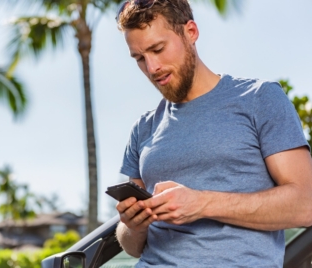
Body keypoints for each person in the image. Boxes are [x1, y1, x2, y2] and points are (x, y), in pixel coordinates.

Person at [114, 0, 312, 267]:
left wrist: (201, 204)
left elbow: (305, 205)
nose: (151, 67)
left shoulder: (259, 99)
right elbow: (132, 246)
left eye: (158, 49)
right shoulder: (144, 128)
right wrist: (133, 226)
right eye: (139, 58)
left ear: (191, 32)